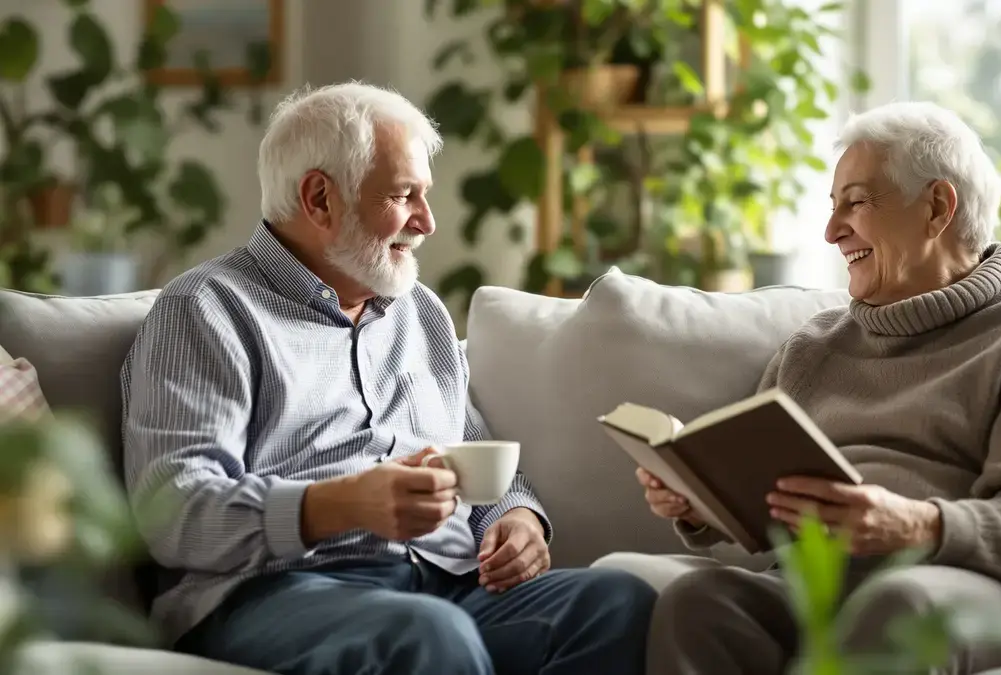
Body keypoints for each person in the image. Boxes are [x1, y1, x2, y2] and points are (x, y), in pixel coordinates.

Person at [120, 81, 655, 675]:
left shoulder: (418, 311)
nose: (426, 221)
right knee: (428, 635)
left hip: (442, 581)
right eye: (404, 196)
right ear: (320, 198)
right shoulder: (206, 310)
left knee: (616, 602)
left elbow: (469, 448)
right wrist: (338, 504)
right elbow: (172, 511)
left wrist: (516, 516)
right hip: (279, 593)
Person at [596, 101, 1001, 674]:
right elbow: (764, 512)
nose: (831, 232)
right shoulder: (815, 347)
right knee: (699, 604)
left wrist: (917, 524)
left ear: (937, 207)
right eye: (832, 207)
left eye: (855, 203)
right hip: (828, 586)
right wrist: (701, 500)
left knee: (898, 608)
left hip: (993, 593)